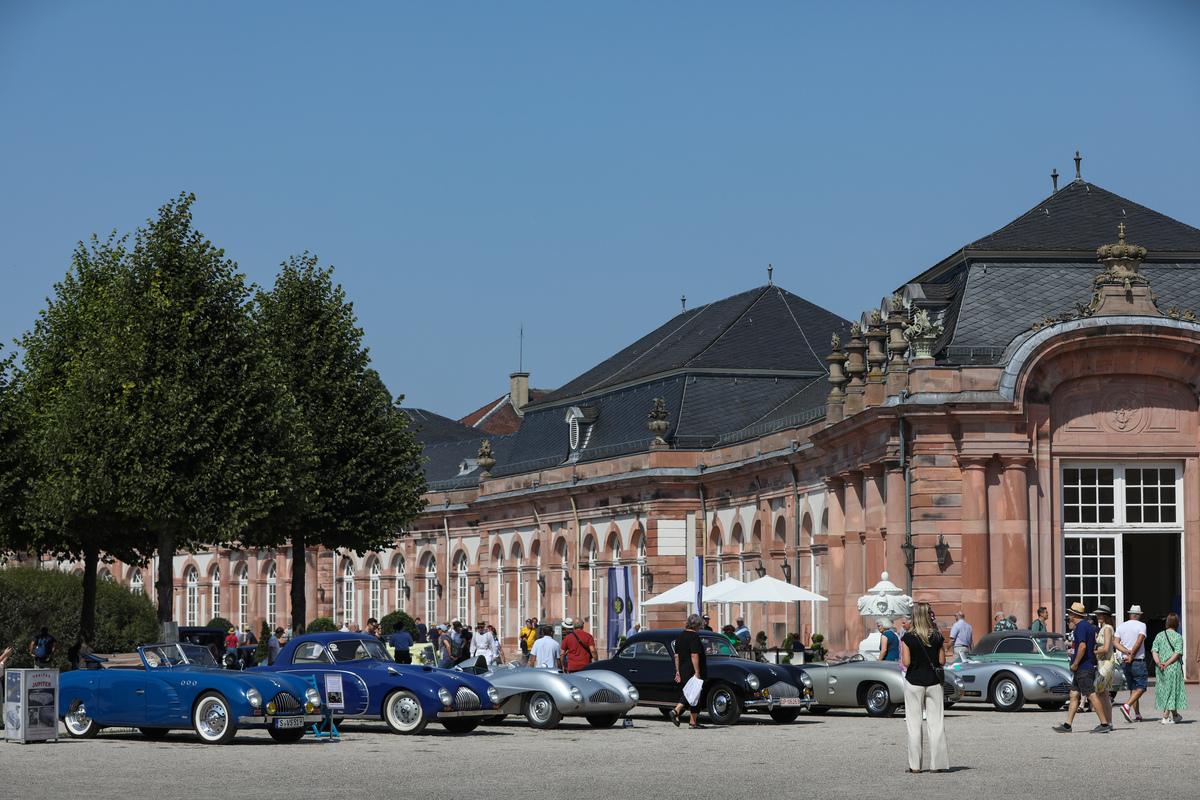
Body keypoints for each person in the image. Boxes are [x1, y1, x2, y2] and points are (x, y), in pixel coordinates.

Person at [901, 602, 948, 772]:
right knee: (936, 725)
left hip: (914, 682)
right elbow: (942, 661)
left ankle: (915, 766)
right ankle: (937, 765)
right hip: (933, 682)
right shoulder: (937, 636)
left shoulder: (908, 637)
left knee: (914, 725)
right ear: (928, 615)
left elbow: (906, 662)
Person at [1053, 602, 1111, 733]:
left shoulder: (1080, 627)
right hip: (1085, 665)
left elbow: (1082, 646)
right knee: (1074, 694)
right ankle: (1067, 725)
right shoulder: (1088, 625)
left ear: (1074, 615)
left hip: (1083, 667)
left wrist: (1075, 663)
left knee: (1091, 694)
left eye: (1069, 614)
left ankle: (1104, 724)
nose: (1069, 616)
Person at [669, 613, 707, 729]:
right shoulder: (694, 637)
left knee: (693, 694)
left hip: (683, 669)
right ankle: (676, 710)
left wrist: (678, 671)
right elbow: (694, 655)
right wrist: (697, 671)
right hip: (692, 669)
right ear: (697, 625)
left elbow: (676, 656)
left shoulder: (680, 637)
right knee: (692, 693)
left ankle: (692, 721)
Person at [1152, 612, 1186, 724]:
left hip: (1160, 668)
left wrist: (1159, 662)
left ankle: (1175, 715)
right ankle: (1165, 716)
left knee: (1165, 690)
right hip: (1172, 667)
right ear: (1177, 623)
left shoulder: (1159, 635)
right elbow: (1177, 653)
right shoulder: (1178, 637)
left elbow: (1154, 650)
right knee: (1172, 691)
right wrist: (1167, 663)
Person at [1115, 604, 1147, 722]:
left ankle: (1137, 714)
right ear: (1140, 615)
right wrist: (1132, 655)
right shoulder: (1142, 625)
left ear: (1129, 615)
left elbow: (1116, 643)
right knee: (1141, 687)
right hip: (1137, 660)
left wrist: (1126, 652)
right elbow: (1139, 641)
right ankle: (1127, 706)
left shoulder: (1121, 626)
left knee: (1133, 688)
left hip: (1125, 661)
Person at [1092, 605, 1118, 725]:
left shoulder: (1107, 628)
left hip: (1107, 662)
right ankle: (1108, 721)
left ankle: (1105, 721)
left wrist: (1092, 653)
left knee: (1097, 690)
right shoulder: (1103, 628)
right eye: (1097, 614)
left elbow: (1106, 648)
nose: (1098, 616)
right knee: (1104, 693)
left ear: (1106, 616)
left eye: (1100, 614)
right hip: (1102, 662)